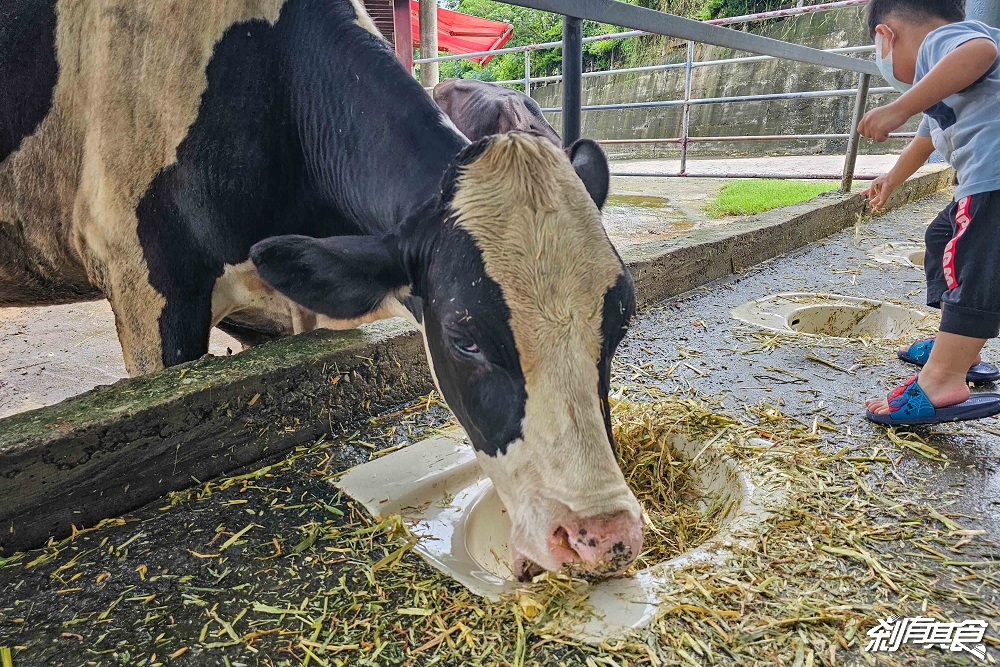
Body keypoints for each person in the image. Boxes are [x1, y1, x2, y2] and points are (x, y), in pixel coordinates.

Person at [858, 0, 1000, 424]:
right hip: (985, 182)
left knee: (970, 265)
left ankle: (943, 379)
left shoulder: (946, 40)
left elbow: (980, 53)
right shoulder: (942, 86)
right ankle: (959, 350)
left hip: (992, 179)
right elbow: (924, 141)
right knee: (942, 238)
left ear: (887, 35)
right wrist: (890, 180)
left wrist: (899, 107)